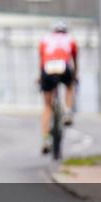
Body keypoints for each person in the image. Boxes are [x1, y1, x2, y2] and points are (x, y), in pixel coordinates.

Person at [38, 20, 78, 155]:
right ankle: (67, 112)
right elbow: (74, 60)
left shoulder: (44, 39)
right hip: (63, 67)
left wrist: (39, 77)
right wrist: (75, 76)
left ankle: (45, 139)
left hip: (47, 69)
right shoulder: (70, 39)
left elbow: (42, 60)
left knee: (47, 106)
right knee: (69, 86)